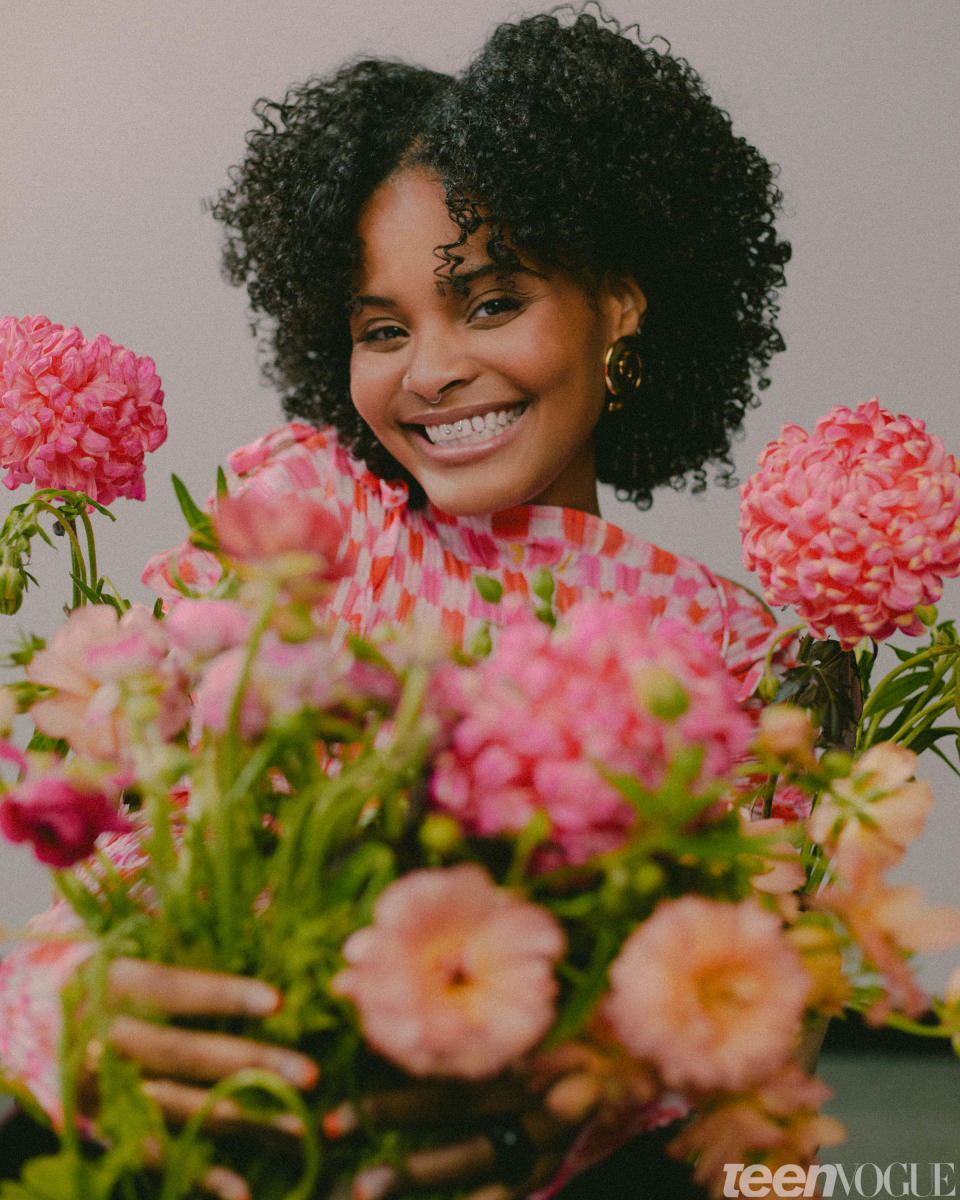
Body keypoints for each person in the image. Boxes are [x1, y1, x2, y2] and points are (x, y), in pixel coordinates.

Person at [0, 9, 793, 1197]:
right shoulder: (310, 521)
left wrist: (546, 1127)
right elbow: (119, 871)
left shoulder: (730, 651)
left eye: (488, 302)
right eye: (382, 329)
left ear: (620, 304)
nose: (428, 371)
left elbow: (738, 1040)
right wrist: (72, 1014)